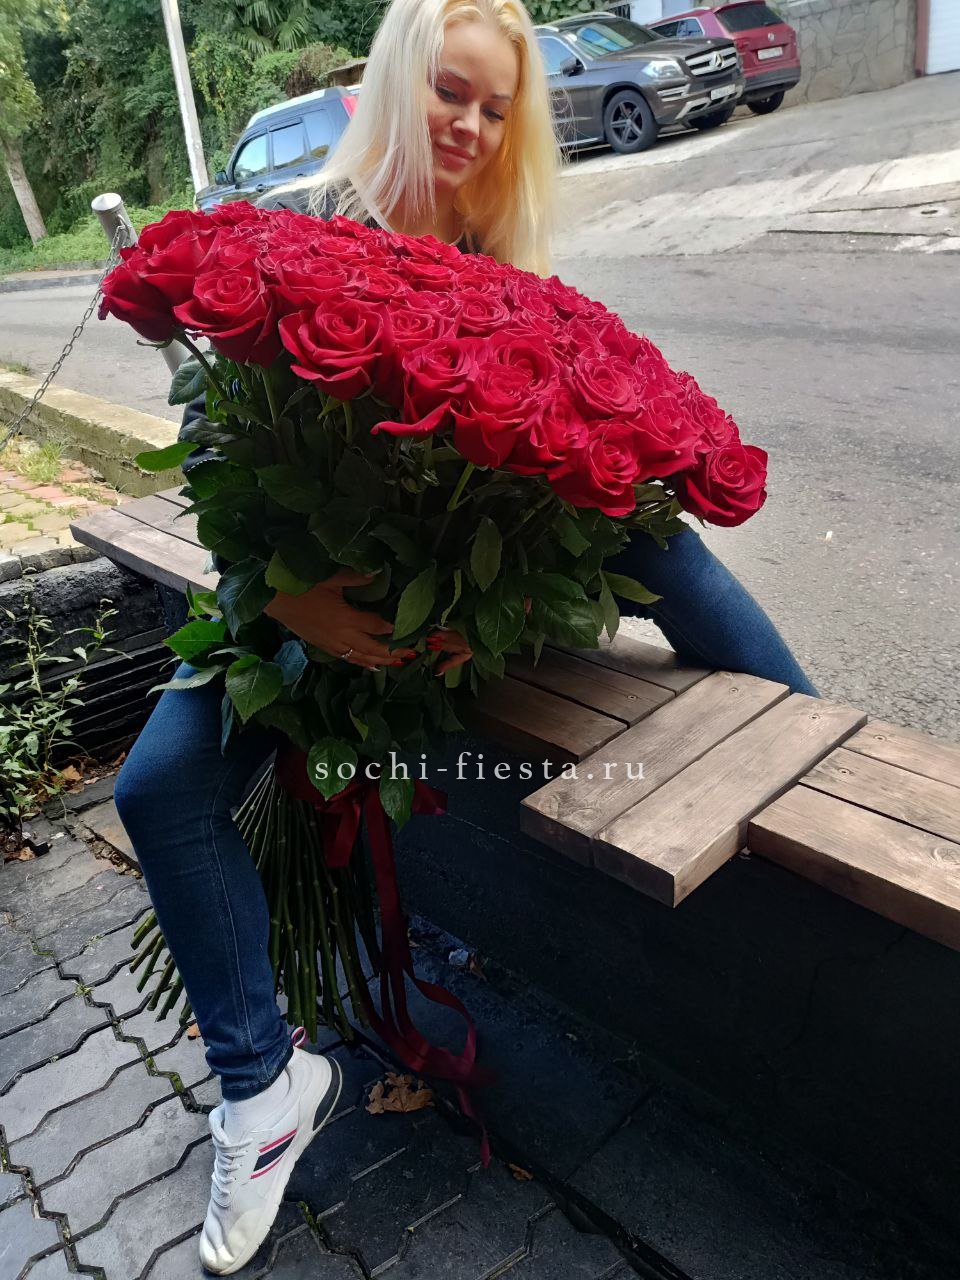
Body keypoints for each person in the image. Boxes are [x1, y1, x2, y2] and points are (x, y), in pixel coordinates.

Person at [116, 0, 818, 1274]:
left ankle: (817, 746)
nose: (472, 126)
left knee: (654, 529)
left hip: (440, 615)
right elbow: (216, 459)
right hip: (297, 608)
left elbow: (542, 496)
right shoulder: (297, 227)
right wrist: (284, 602)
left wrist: (490, 616)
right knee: (159, 784)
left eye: (498, 109)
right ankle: (263, 1087)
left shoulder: (497, 254)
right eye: (451, 91)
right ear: (396, 81)